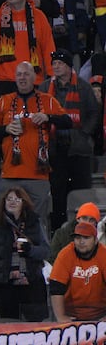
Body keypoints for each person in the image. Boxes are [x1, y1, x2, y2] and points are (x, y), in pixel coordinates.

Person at [0, 61, 69, 224]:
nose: (22, 78)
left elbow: (67, 121)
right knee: (4, 222)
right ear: (14, 78)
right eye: (19, 74)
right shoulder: (4, 101)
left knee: (36, 223)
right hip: (10, 175)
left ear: (34, 77)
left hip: (38, 176)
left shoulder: (47, 101)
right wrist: (6, 129)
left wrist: (48, 117)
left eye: (26, 74)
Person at [0, 186, 50, 321]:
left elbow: (46, 251)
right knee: (9, 324)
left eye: (17, 199)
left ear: (24, 203)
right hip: (4, 284)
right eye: (9, 199)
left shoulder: (35, 223)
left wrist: (30, 250)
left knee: (35, 325)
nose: (12, 202)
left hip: (31, 282)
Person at [45, 50, 99, 231]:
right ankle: (58, 233)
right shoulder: (45, 87)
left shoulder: (83, 87)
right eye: (54, 64)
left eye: (59, 63)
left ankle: (83, 230)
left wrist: (84, 133)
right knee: (57, 195)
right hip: (54, 149)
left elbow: (93, 113)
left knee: (81, 192)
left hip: (78, 149)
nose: (56, 67)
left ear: (69, 67)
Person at [0, 0, 54, 93]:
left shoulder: (39, 17)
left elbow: (48, 48)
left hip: (33, 81)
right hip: (4, 80)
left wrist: (51, 74)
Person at [50, 222, 106, 322]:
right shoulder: (65, 254)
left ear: (96, 240)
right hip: (71, 315)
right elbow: (56, 287)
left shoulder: (104, 254)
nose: (81, 242)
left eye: (86, 238)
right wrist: (61, 317)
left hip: (101, 314)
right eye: (77, 237)